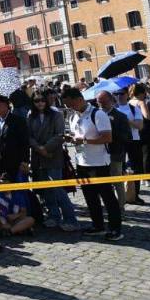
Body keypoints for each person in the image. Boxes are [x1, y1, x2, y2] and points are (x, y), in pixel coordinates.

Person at [62, 87, 122, 240]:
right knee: (90, 197)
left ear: (79, 99)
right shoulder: (73, 116)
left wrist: (85, 141)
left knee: (107, 197)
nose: (70, 107)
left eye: (71, 104)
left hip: (99, 162)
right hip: (82, 162)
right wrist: (71, 138)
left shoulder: (98, 114)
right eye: (68, 105)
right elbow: (78, 135)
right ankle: (98, 225)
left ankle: (115, 228)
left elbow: (108, 138)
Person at [26, 91, 78, 231]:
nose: (40, 103)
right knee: (46, 189)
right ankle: (53, 216)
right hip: (38, 156)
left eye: (42, 100)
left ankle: (70, 218)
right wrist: (39, 148)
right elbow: (29, 136)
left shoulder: (56, 115)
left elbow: (59, 134)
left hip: (53, 155)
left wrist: (46, 148)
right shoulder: (31, 116)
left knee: (57, 188)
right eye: (37, 101)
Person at [0, 92, 28, 183]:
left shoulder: (19, 121)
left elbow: (25, 142)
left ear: (6, 105)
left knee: (18, 194)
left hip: (15, 164)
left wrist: (24, 161)